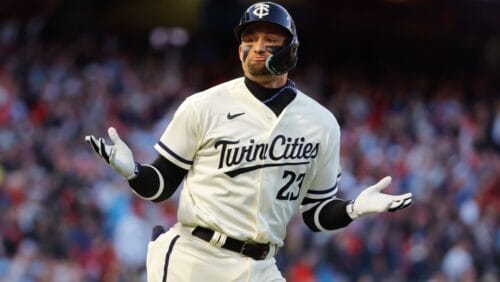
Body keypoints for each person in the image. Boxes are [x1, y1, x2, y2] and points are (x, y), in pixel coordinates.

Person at [85, 2, 413, 281]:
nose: (257, 47)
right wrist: (133, 173)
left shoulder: (322, 123)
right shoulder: (204, 105)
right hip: (196, 258)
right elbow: (161, 186)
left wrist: (354, 209)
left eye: (270, 39)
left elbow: (317, 214)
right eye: (250, 39)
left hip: (261, 266)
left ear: (290, 50)